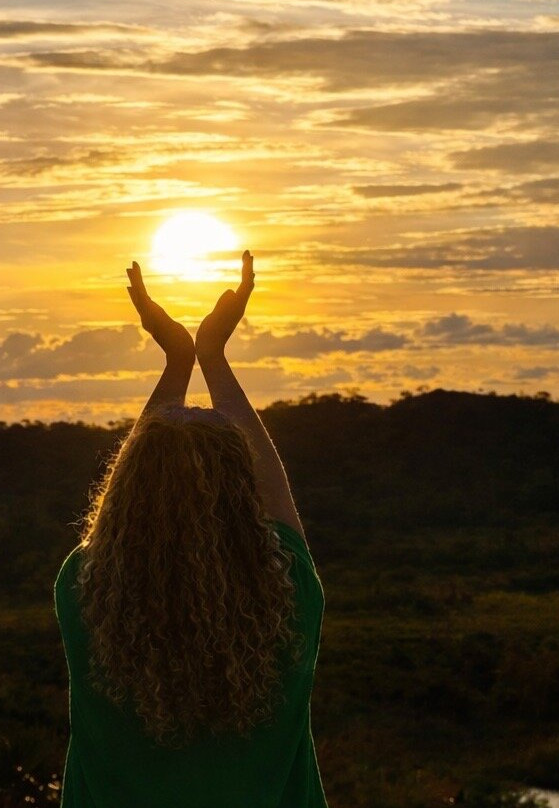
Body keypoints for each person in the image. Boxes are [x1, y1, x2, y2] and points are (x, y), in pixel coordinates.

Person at [54, 250, 328, 807]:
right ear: (239, 490)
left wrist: (178, 360)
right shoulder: (290, 599)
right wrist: (212, 357)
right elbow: (277, 498)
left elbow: (109, 523)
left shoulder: (84, 597)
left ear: (128, 490)